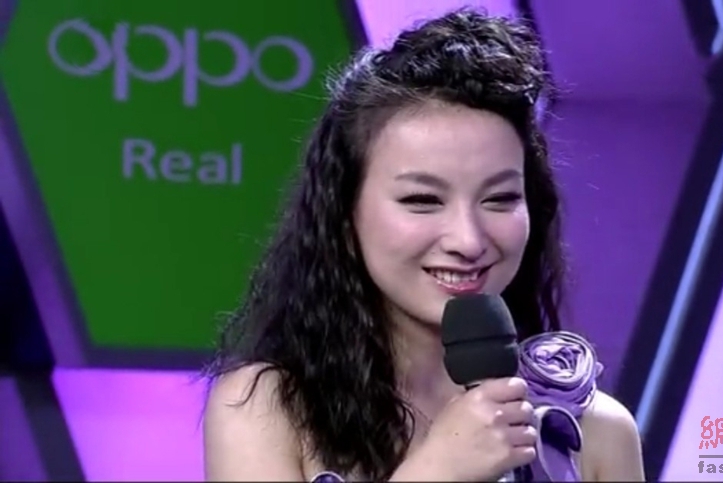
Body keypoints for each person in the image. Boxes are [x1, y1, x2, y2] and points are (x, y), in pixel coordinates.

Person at [202, 8, 645, 482]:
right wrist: (440, 470)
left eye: (499, 198)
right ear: (344, 216)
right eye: (422, 200)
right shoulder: (265, 411)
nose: (468, 240)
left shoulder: (590, 431)